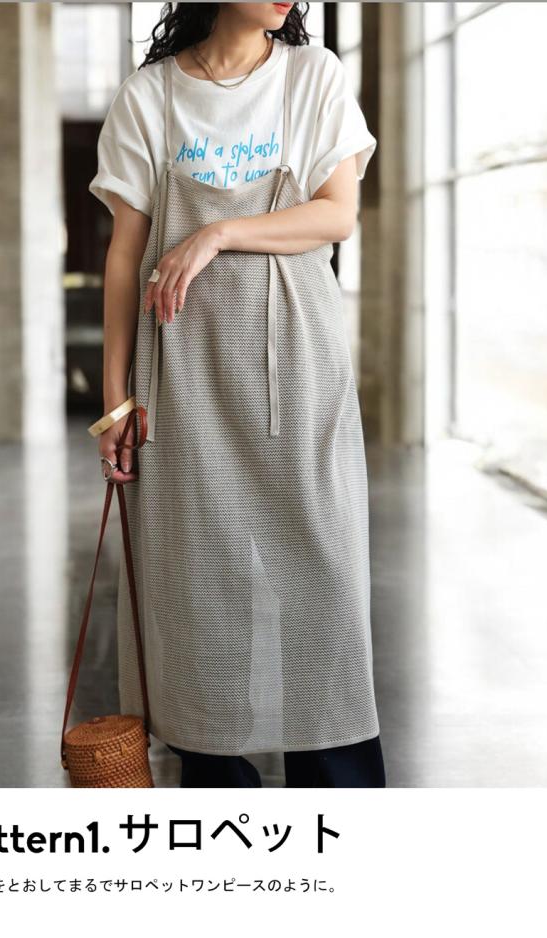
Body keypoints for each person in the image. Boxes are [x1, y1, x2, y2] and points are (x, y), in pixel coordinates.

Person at [88, 2, 386, 788]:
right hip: (181, 381)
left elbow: (336, 215)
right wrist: (116, 402)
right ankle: (223, 815)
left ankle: (344, 811)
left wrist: (216, 233)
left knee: (325, 587)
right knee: (196, 593)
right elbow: (124, 257)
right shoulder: (150, 97)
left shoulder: (311, 77)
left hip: (303, 376)